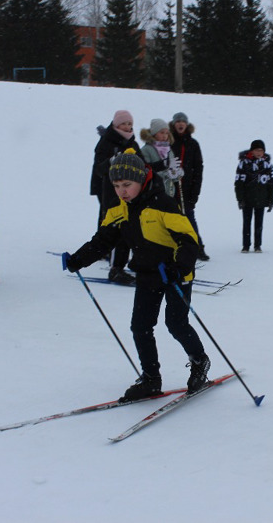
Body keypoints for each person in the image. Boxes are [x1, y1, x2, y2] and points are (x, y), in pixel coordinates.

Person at [63, 149, 211, 400]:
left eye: (127, 184)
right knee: (140, 327)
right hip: (147, 273)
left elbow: (189, 241)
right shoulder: (119, 209)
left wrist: (179, 267)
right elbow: (102, 240)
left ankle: (200, 362)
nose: (122, 190)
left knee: (176, 324)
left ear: (141, 180)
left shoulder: (163, 204)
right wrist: (79, 259)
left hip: (175, 274)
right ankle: (151, 379)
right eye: (117, 185)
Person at [90, 110, 142, 285]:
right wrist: (113, 161)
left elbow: (143, 165)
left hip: (131, 194)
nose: (127, 127)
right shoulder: (107, 141)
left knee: (130, 229)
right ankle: (115, 268)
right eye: (124, 124)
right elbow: (98, 169)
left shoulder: (132, 143)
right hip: (112, 192)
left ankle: (127, 265)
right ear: (116, 124)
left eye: (130, 124)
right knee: (116, 229)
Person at [170, 112, 209, 261]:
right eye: (177, 121)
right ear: (174, 124)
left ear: (187, 125)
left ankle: (198, 248)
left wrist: (195, 193)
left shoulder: (193, 144)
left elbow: (198, 168)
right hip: (170, 189)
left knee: (189, 220)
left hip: (186, 190)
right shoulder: (169, 141)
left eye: (183, 122)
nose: (180, 124)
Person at [235, 139, 273, 252]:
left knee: (259, 223)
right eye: (257, 150)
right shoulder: (244, 164)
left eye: (261, 150)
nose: (259, 153)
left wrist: (271, 199)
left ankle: (258, 245)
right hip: (247, 199)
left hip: (261, 199)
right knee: (246, 222)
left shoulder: (267, 165)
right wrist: (240, 199)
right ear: (252, 151)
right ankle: (246, 245)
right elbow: (238, 183)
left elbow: (271, 184)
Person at [139, 118, 182, 199]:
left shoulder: (169, 150)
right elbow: (145, 171)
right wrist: (166, 174)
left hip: (169, 193)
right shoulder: (146, 150)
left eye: (166, 133)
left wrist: (176, 174)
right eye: (162, 132)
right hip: (153, 193)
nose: (165, 136)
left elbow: (172, 171)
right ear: (154, 133)